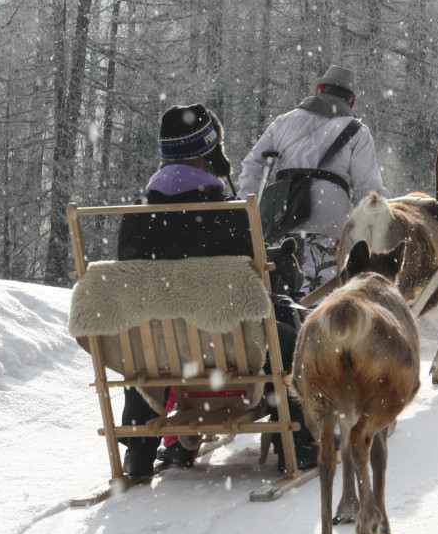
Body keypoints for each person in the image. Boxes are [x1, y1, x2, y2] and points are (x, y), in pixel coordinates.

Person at [114, 103, 316, 478]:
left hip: (161, 356)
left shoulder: (134, 220)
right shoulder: (233, 216)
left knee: (141, 343)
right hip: (232, 350)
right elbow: (256, 283)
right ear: (212, 157)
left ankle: (139, 449)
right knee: (289, 331)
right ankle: (301, 441)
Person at [238, 65, 387, 296]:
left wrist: (250, 212)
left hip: (280, 223)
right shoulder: (357, 132)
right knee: (320, 299)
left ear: (319, 90)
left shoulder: (283, 122)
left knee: (278, 293)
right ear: (352, 102)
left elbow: (252, 166)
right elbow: (369, 191)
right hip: (330, 226)